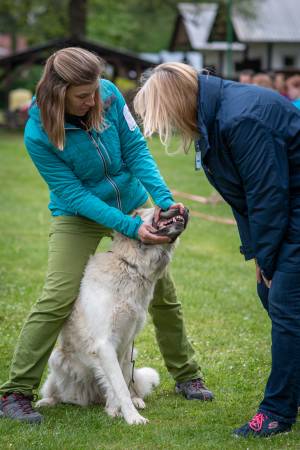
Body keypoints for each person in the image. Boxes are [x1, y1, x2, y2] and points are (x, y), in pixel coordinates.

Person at [0, 49, 213, 424]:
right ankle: (15, 392)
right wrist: (132, 228)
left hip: (130, 200)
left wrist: (162, 202)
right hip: (78, 212)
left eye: (95, 91)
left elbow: (135, 150)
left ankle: (188, 377)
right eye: (82, 96)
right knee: (58, 293)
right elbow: (74, 194)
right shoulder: (37, 131)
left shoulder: (110, 95)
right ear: (58, 91)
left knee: (163, 294)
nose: (93, 101)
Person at [134, 62, 300, 438]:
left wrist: (269, 259)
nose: (167, 128)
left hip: (291, 212)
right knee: (272, 295)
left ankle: (277, 411)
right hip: (285, 213)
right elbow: (245, 197)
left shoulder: (241, 118)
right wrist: (259, 255)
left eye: (162, 117)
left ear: (176, 103)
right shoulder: (216, 117)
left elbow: (267, 197)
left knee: (287, 307)